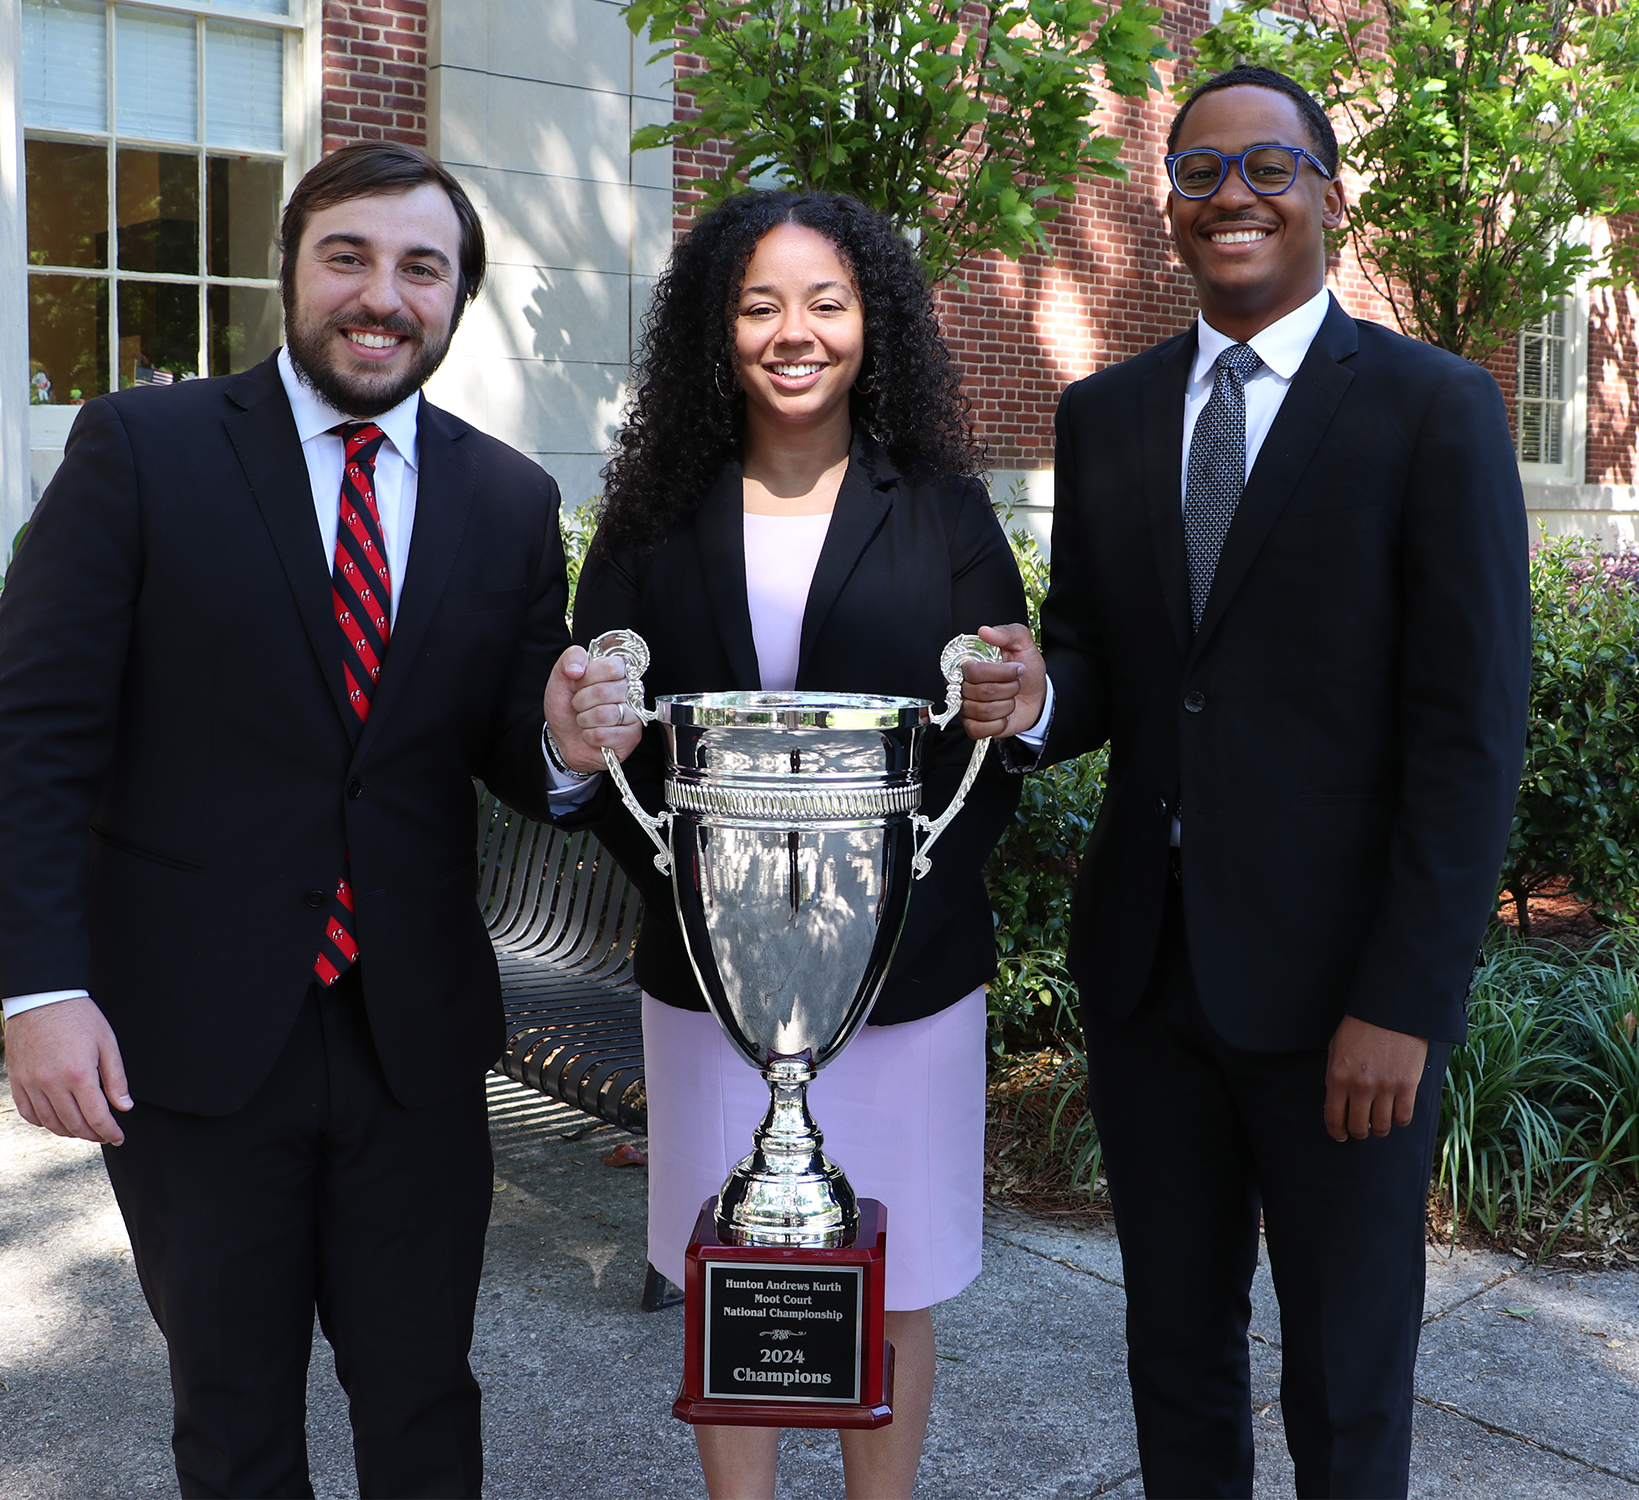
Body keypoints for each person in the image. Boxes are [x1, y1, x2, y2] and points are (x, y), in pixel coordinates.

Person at [0, 141, 638, 1499]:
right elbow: (34, 736)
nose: (380, 294)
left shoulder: (508, 499)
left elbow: (512, 744)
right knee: (232, 1408)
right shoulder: (141, 451)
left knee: (424, 1399)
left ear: (456, 300)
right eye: (349, 257)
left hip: (416, 1042)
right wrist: (40, 988)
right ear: (291, 274)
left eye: (419, 267)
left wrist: (565, 746)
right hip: (194, 1037)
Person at [960, 66, 1530, 1498]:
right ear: (1167, 208)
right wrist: (1038, 699)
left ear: (1330, 195)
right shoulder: (1108, 416)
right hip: (1153, 982)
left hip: (1345, 1005)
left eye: (1269, 168)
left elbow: (1468, 737)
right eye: (1202, 172)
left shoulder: (1431, 409)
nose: (1233, 197)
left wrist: (1405, 1003)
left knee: (1345, 1381)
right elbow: (1105, 658)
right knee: (1176, 1356)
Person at [556, 189, 1025, 1499]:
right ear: (718, 328)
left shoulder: (940, 507)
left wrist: (905, 894)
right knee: (736, 1273)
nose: (794, 331)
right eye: (760, 304)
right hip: (714, 980)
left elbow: (993, 734)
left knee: (901, 1275)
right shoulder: (651, 510)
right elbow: (602, 739)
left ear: (873, 322)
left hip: (909, 970)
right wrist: (708, 901)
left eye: (827, 301)